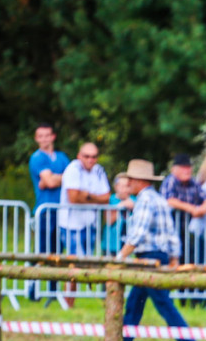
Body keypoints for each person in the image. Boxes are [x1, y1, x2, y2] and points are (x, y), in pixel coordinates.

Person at [115, 160, 200, 341]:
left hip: (148, 258)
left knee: (162, 303)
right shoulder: (158, 198)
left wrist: (120, 257)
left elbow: (137, 233)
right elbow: (171, 233)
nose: (128, 183)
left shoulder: (144, 200)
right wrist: (174, 257)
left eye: (130, 180)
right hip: (157, 256)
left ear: (139, 181)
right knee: (135, 304)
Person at [59, 142, 111, 306]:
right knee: (74, 263)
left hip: (90, 224)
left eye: (94, 156)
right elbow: (73, 198)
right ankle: (69, 302)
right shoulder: (72, 169)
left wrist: (86, 196)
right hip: (71, 224)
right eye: (87, 156)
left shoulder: (99, 170)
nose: (90, 160)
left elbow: (106, 197)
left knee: (86, 263)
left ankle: (81, 299)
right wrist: (94, 197)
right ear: (79, 156)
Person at [27, 123, 70, 301]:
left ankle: (53, 290)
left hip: (61, 211)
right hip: (44, 212)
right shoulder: (37, 158)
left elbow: (69, 178)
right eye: (40, 136)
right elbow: (50, 182)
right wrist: (56, 179)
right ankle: (32, 287)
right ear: (37, 139)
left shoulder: (61, 157)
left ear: (53, 137)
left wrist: (53, 178)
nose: (44, 139)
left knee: (57, 252)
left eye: (47, 135)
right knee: (41, 251)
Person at [162, 153, 206, 269]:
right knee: (172, 259)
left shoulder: (193, 182)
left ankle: (186, 286)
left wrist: (203, 209)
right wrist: (192, 209)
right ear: (174, 169)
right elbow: (169, 200)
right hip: (171, 229)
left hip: (188, 230)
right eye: (183, 167)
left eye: (188, 167)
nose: (187, 170)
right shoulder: (170, 181)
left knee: (189, 259)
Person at [102, 174, 134, 257]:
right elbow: (109, 221)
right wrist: (120, 206)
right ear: (116, 187)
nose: (126, 189)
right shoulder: (110, 200)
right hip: (111, 245)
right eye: (123, 186)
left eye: (128, 186)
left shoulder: (134, 199)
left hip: (128, 245)